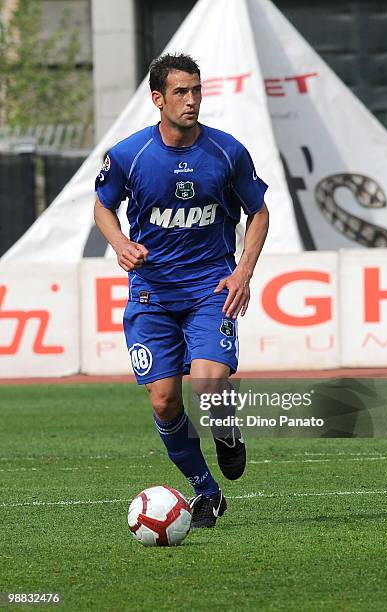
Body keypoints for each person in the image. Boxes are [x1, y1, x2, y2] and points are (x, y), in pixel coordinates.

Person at [94, 53, 269, 529]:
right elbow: (103, 207)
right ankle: (206, 491)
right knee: (165, 401)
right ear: (158, 99)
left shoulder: (227, 152)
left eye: (196, 90)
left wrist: (243, 272)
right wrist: (119, 243)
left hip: (211, 289)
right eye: (180, 92)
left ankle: (227, 433)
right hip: (151, 297)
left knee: (210, 387)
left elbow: (259, 212)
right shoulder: (130, 156)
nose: (191, 100)